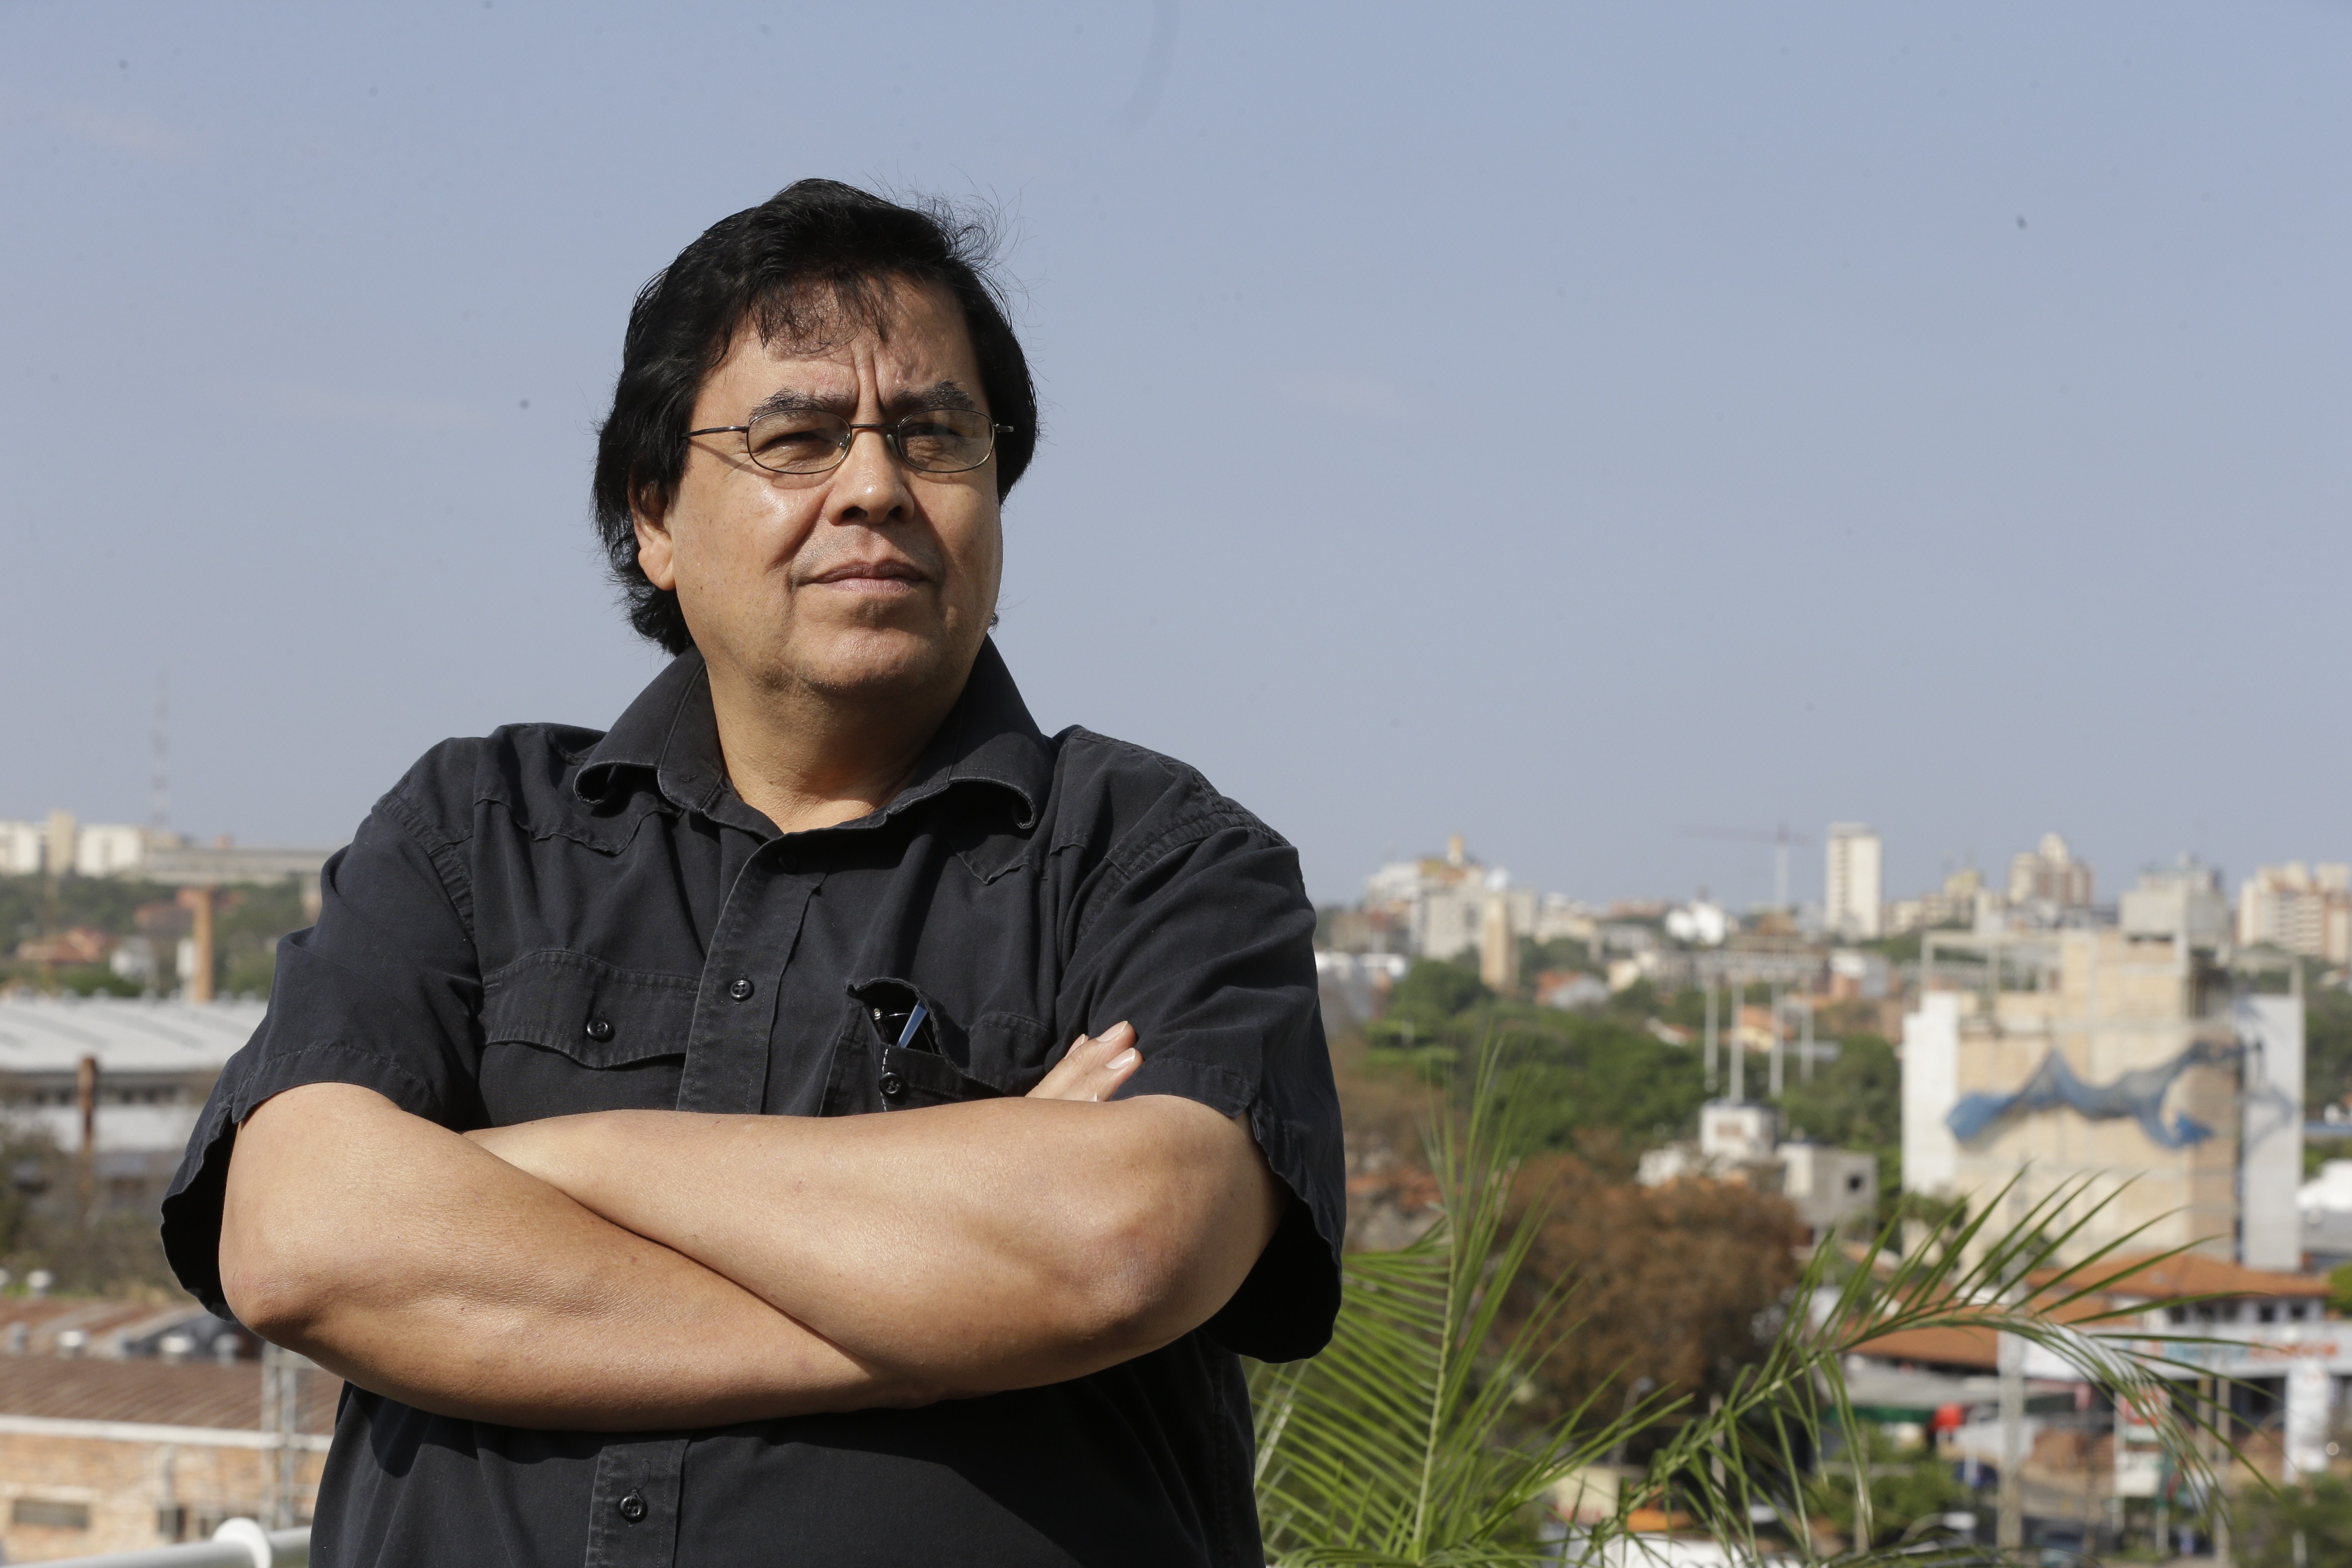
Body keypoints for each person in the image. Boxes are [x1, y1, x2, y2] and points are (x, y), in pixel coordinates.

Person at [160, 179, 1343, 1568]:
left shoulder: (1157, 863)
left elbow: (1119, 1247)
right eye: (797, 438)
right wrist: (950, 1313)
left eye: (935, 437)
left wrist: (550, 1160)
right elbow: (304, 1242)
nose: (876, 486)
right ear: (653, 516)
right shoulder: (474, 836)